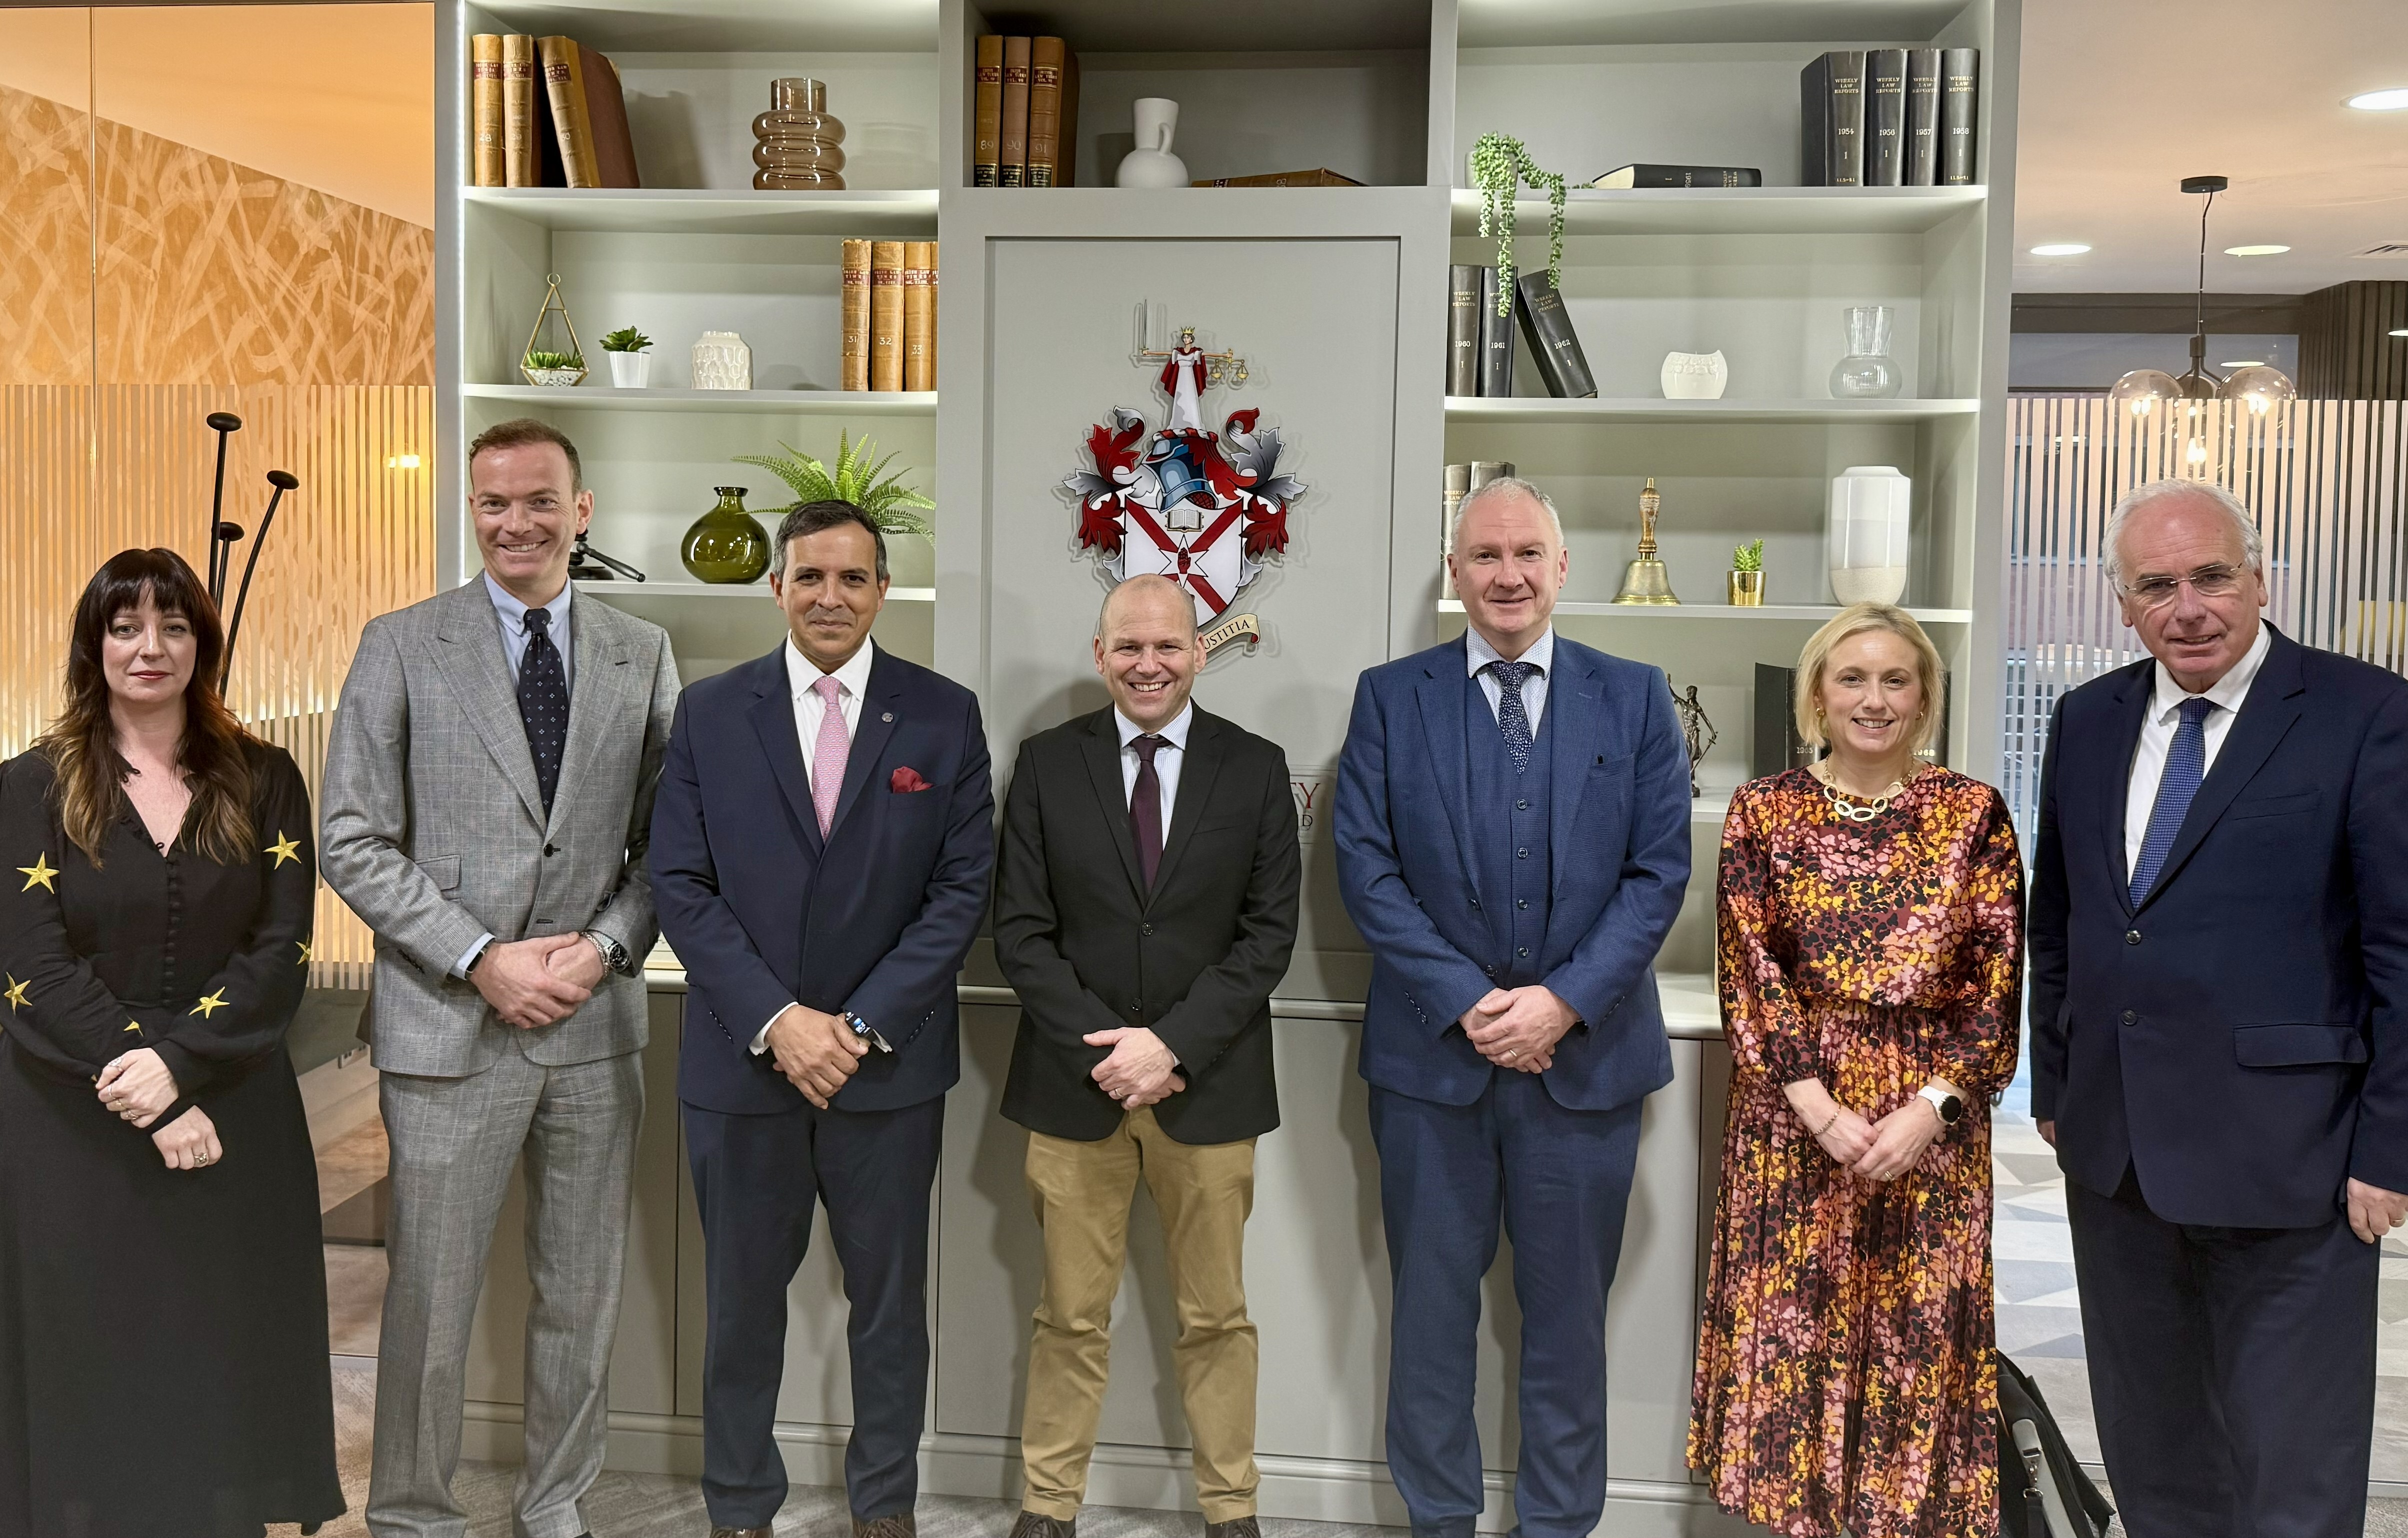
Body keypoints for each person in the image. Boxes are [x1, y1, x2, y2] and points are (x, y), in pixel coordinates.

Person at [320, 418, 680, 1538]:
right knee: (428, 1298)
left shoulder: (641, 650)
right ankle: (415, 1511)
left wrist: (603, 948)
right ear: (468, 512)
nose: (514, 522)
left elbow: (670, 842)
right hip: (446, 1026)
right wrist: (480, 957)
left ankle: (557, 1498)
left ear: (583, 509)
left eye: (538, 501)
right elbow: (351, 836)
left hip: (591, 1021)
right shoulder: (399, 643)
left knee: (580, 1293)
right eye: (491, 503)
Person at [2028, 478, 2408, 1538]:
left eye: (2210, 576)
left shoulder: (2365, 712)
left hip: (2293, 1157)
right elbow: (2057, 919)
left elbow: (2399, 946)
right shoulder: (2087, 717)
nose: (2186, 606)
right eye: (2156, 585)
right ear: (2121, 603)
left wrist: (2391, 1142)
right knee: (2155, 1460)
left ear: (2257, 577)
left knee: (2290, 1468)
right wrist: (2056, 1086)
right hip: (2116, 1159)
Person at [1332, 476, 1690, 1538]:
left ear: (1563, 565)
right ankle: (1437, 1521)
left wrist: (1562, 1003)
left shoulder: (1633, 694)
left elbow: (1657, 871)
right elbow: (1365, 867)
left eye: (1526, 552)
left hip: (1585, 1072)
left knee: (1567, 1327)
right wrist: (1470, 1001)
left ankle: (1557, 1526)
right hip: (1430, 1072)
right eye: (1484, 555)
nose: (1507, 574)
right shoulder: (1390, 696)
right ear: (1454, 571)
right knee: (1430, 1324)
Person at [650, 499, 994, 1538]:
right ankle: (740, 1505)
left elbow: (961, 886)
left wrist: (856, 1024)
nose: (830, 596)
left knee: (890, 1311)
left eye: (851, 578)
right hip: (742, 1067)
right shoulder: (710, 712)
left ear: (883, 589)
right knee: (740, 1310)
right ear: (777, 587)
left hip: (886, 1072)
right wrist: (777, 1019)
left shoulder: (942, 713)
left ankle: (884, 1504)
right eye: (810, 577)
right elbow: (680, 880)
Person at [0, 548, 343, 1535]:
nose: (150, 647)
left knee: (216, 1352)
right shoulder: (27, 783)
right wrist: (150, 1085)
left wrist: (183, 1070)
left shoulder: (269, 777)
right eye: (124, 625)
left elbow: (279, 949)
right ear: (92, 643)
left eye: (175, 625)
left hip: (233, 1117)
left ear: (205, 642)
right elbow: (32, 960)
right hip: (69, 1120)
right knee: (89, 1354)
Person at [1690, 603, 2022, 1538]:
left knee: (1916, 1346)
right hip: (1794, 1122)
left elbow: (1997, 982)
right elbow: (1749, 970)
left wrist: (1933, 1109)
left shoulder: (1973, 814)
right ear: (1816, 697)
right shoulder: (1763, 810)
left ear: (1924, 699)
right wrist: (1816, 1108)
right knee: (1797, 1338)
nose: (1873, 700)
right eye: (1851, 679)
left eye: (1895, 680)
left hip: (1932, 1128)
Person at [992, 575, 1302, 1538]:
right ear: (1101, 655)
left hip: (1207, 1089)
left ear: (1198, 654)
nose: (1149, 663)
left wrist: (1168, 1047)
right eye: (1129, 647)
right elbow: (1021, 933)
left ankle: (1231, 1511)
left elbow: (1269, 936)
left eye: (1168, 646)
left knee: (1218, 1319)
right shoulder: (1046, 765)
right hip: (1073, 1088)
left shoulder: (1254, 768)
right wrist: (1110, 1054)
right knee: (1067, 1320)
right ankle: (1048, 1508)